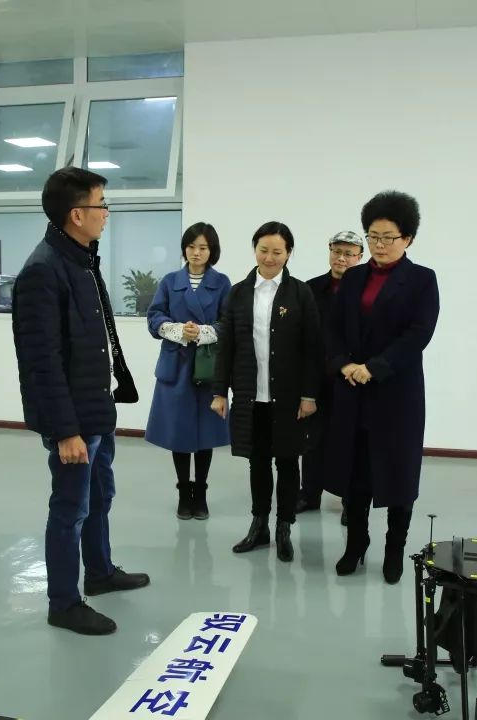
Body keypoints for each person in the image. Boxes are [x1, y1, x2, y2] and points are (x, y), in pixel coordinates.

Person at [11, 167, 150, 636]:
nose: (106, 213)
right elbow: (42, 362)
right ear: (76, 214)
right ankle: (64, 602)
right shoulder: (43, 270)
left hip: (95, 409)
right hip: (73, 420)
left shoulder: (80, 260)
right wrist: (65, 431)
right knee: (70, 508)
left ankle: (100, 571)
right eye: (101, 204)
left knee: (100, 496)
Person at [326, 191, 440, 584]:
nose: (379, 244)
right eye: (373, 236)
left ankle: (394, 551)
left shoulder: (422, 280)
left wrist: (374, 368)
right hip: (353, 390)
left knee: (398, 475)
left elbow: (418, 334)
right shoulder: (353, 277)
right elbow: (332, 329)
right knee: (355, 475)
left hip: (397, 393)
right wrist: (344, 364)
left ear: (408, 238)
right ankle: (356, 545)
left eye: (388, 237)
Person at [211, 221, 322, 562]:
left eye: (277, 251)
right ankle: (259, 526)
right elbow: (226, 346)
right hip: (250, 395)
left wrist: (309, 395)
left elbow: (312, 348)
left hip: (288, 397)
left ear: (288, 253)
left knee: (287, 462)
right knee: (257, 463)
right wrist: (219, 392)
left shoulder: (300, 293)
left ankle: (283, 528)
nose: (270, 258)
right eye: (263, 250)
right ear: (254, 250)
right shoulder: (238, 293)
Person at [145, 222, 232, 520]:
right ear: (184, 248)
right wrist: (178, 329)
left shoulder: (222, 282)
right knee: (179, 432)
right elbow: (154, 316)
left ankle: (201, 492)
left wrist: (204, 332)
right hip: (176, 365)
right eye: (192, 246)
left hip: (208, 366)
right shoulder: (170, 281)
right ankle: (184, 491)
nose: (196, 252)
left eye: (203, 247)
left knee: (205, 433)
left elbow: (230, 322)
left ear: (212, 251)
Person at [297, 231, 365, 525]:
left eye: (349, 253)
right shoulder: (310, 288)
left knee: (351, 442)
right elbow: (302, 336)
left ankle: (351, 500)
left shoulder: (366, 290)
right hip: (318, 378)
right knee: (313, 440)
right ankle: (309, 494)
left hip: (352, 379)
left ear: (360, 257)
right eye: (337, 251)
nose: (342, 258)